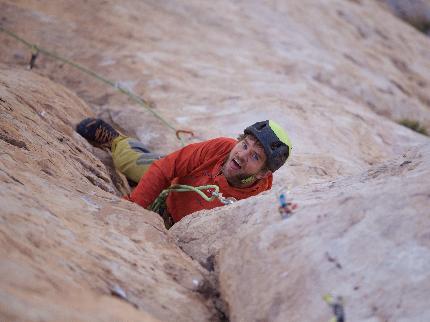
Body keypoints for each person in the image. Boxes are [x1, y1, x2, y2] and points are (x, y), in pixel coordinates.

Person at [76, 118, 292, 228]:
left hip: (181, 227)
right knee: (130, 163)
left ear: (264, 174)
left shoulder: (257, 198)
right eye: (245, 145)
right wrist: (133, 207)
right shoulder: (220, 148)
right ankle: (117, 141)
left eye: (255, 157)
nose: (244, 155)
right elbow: (166, 168)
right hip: (169, 187)